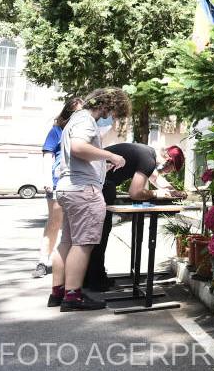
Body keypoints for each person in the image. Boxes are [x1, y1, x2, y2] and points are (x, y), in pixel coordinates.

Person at [49, 87, 131, 312]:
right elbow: (78, 148)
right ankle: (72, 296)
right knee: (83, 243)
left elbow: (77, 153)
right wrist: (111, 155)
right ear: (107, 104)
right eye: (112, 111)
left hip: (68, 188)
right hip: (83, 191)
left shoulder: (74, 119)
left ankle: (58, 292)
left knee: (67, 241)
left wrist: (101, 164)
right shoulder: (86, 120)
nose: (111, 116)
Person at [83, 142, 186, 291]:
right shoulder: (149, 160)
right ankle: (94, 280)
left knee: (97, 233)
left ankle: (93, 276)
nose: (169, 173)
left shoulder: (147, 153)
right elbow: (135, 193)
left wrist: (173, 191)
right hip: (98, 185)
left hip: (92, 181)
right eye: (171, 169)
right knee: (100, 233)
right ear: (168, 161)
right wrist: (156, 193)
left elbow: (155, 178)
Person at [32, 97, 84, 278]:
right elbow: (48, 155)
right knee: (54, 222)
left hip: (79, 184)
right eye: (75, 113)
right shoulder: (56, 131)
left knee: (76, 226)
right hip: (57, 183)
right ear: (68, 113)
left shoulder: (84, 133)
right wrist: (47, 178)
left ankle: (72, 263)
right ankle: (42, 261)